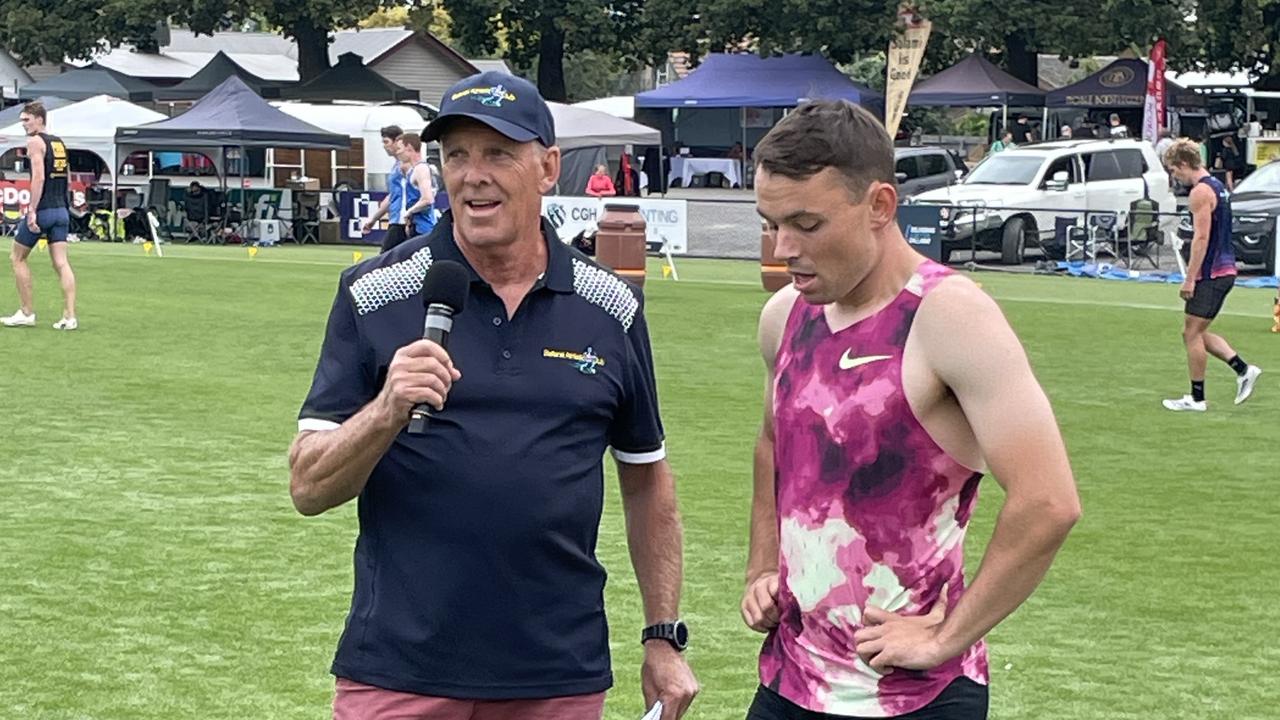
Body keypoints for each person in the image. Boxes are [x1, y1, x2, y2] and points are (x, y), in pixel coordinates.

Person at [289, 70, 698, 720]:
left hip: (557, 674)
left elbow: (647, 481)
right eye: (456, 155)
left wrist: (663, 635)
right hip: (401, 669)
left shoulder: (611, 305)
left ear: (547, 168)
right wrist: (386, 410)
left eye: (498, 154)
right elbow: (308, 488)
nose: (472, 175)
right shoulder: (374, 294)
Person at [741, 100, 1081, 720]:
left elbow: (1049, 501)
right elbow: (772, 444)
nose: (782, 249)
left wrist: (946, 637)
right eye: (770, 223)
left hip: (914, 697)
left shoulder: (950, 318)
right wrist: (762, 565)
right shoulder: (785, 317)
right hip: (790, 681)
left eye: (806, 224)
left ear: (879, 206)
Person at [1161, 139, 1262, 411]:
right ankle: (1243, 370)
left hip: (1212, 272)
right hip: (1225, 270)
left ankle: (1197, 398)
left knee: (1191, 333)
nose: (1174, 176)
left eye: (1173, 170)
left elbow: (1201, 237)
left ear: (1183, 164)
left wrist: (1190, 277)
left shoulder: (1200, 192)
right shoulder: (1218, 187)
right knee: (1194, 331)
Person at [3, 101, 77, 330]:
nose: (23, 124)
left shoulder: (35, 142)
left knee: (17, 257)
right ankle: (69, 316)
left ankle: (26, 312)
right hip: (61, 210)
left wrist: (32, 210)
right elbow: (66, 175)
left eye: (26, 120)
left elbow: (39, 178)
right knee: (61, 263)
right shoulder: (58, 143)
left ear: (39, 119)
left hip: (44, 208)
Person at [360, 125, 407, 252]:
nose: (384, 146)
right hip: (397, 220)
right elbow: (392, 196)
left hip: (403, 221)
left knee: (385, 260)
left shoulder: (405, 166)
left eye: (386, 142)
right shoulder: (396, 166)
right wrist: (373, 219)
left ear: (397, 142)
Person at [393, 132, 436, 238]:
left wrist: (409, 212)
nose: (397, 153)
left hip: (424, 230)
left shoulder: (421, 169)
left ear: (409, 148)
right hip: (416, 227)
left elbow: (428, 199)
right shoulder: (413, 170)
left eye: (399, 148)